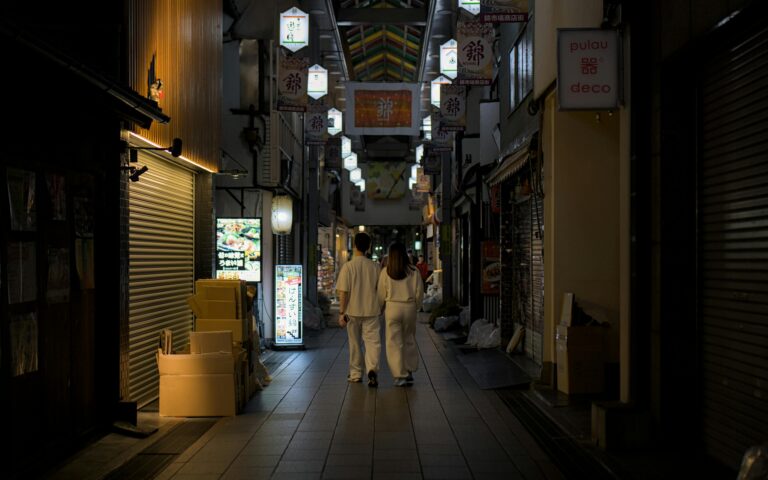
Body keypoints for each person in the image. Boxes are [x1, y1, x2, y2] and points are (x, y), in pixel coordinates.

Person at [336, 232, 382, 387]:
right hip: (371, 310)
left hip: (353, 311)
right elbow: (380, 290)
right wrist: (381, 307)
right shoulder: (375, 267)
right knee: (373, 342)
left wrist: (342, 313)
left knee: (354, 343)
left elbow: (344, 291)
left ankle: (355, 374)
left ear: (354, 245)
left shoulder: (348, 267)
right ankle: (372, 370)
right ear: (368, 247)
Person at [377, 242, 424, 386]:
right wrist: (416, 306)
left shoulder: (386, 271)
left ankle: (400, 376)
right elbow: (419, 292)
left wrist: (380, 308)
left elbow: (380, 294)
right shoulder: (414, 271)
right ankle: (409, 370)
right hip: (409, 307)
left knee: (394, 342)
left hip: (392, 308)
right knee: (409, 338)